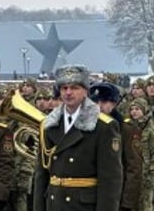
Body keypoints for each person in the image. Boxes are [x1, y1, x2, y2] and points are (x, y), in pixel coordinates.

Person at [33, 65, 122, 211]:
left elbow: (110, 181)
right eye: (64, 88)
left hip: (83, 206)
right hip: (54, 204)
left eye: (74, 88)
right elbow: (41, 175)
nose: (68, 92)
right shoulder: (49, 124)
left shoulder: (104, 126)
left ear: (85, 91)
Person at [120, 98, 154, 211]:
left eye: (137, 109)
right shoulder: (127, 127)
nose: (134, 112)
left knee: (146, 204)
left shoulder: (152, 130)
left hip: (146, 173)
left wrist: (151, 172)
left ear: (144, 110)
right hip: (132, 173)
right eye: (132, 109)